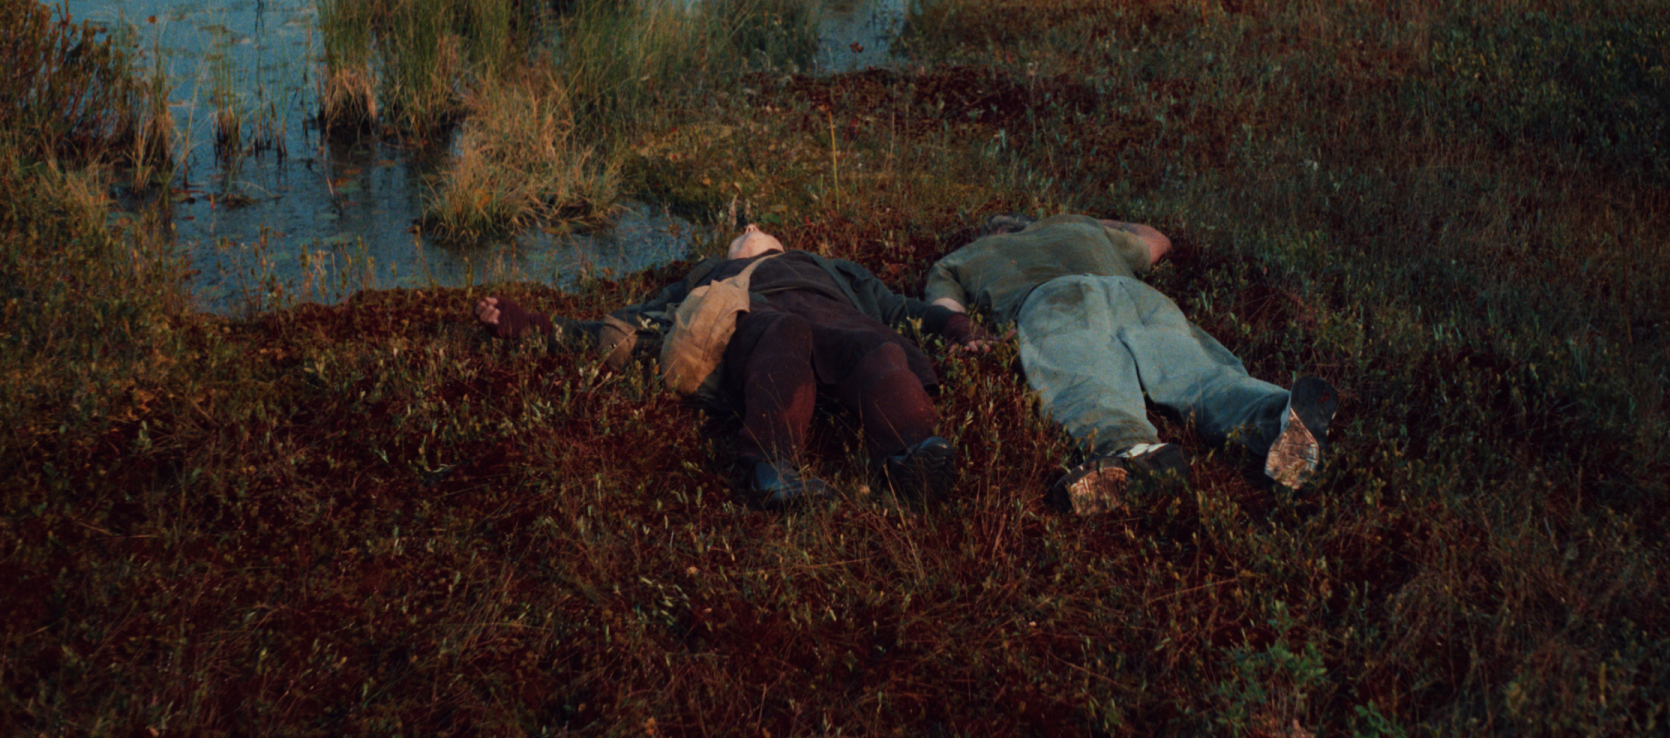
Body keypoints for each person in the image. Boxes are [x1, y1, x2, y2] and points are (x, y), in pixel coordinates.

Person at [476, 224, 978, 509]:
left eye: (759, 227)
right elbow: (627, 326)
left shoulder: (832, 269)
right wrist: (533, 325)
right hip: (757, 321)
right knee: (784, 334)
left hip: (839, 322)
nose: (750, 227)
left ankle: (912, 457)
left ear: (783, 247)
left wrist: (957, 326)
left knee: (879, 348)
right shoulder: (708, 276)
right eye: (742, 231)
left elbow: (898, 309)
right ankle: (773, 469)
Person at [925, 213, 1338, 514]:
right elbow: (1157, 241)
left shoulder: (961, 257)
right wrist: (1088, 220)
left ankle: (1132, 453)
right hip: (1134, 294)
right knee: (1200, 374)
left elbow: (946, 312)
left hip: (1054, 301)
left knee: (1085, 382)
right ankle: (1275, 416)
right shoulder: (1079, 229)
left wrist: (976, 339)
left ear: (993, 232)